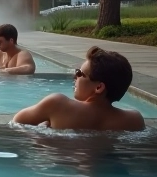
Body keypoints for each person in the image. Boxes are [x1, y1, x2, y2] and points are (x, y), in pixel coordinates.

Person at [13, 46, 145, 131]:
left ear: (98, 87)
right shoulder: (134, 120)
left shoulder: (58, 105)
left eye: (79, 73)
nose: (74, 77)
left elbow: (16, 122)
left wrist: (41, 134)